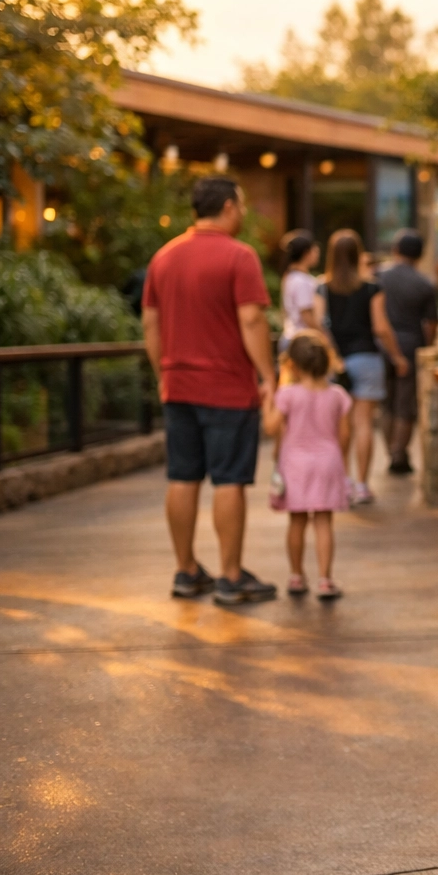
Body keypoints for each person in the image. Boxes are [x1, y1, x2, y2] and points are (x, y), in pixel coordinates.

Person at [142, 175, 278, 605]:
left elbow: (150, 324)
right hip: (227, 388)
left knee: (182, 476)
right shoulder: (239, 256)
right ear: (228, 207)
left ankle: (185, 571)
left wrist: (163, 373)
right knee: (229, 480)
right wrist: (268, 376)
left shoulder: (163, 257)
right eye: (242, 205)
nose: (243, 212)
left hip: (178, 385)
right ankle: (231, 577)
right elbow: (251, 320)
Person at [313, 229, 408, 506]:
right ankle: (362, 485)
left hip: (337, 362)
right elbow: (381, 327)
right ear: (359, 254)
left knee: (341, 425)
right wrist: (397, 356)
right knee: (364, 423)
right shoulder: (372, 287)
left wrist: (334, 357)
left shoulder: (322, 287)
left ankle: (342, 483)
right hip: (367, 358)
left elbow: (319, 325)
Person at [264, 332, 351, 600]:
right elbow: (345, 434)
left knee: (297, 521)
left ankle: (296, 576)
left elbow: (271, 427)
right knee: (324, 521)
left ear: (291, 364)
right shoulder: (337, 395)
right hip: (328, 461)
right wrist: (341, 460)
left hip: (295, 464)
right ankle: (325, 580)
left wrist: (267, 399)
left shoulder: (288, 395)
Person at [377, 229, 438, 474]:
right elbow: (431, 324)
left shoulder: (378, 277)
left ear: (395, 250)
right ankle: (398, 453)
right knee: (405, 404)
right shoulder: (424, 284)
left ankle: (390, 452)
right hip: (410, 347)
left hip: (381, 346)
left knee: (387, 403)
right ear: (420, 255)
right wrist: (427, 347)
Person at [278, 229, 320, 355]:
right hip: (302, 340)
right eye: (314, 250)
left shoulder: (290, 277)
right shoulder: (301, 280)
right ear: (306, 253)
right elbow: (306, 314)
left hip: (290, 335)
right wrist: (322, 334)